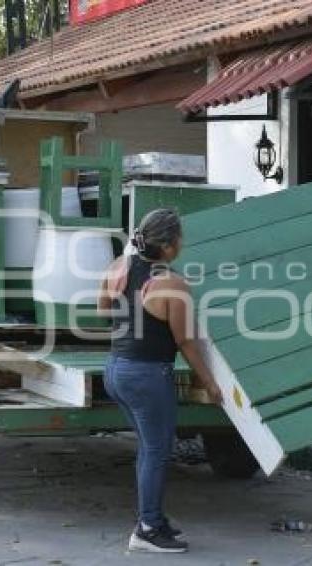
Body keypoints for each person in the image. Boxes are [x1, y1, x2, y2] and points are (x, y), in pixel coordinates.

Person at [98, 208, 223, 553]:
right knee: (157, 450)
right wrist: (210, 383)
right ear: (168, 246)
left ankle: (153, 517)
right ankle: (148, 529)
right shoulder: (172, 285)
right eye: (180, 237)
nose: (183, 242)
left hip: (116, 370)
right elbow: (185, 341)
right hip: (148, 375)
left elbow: (102, 309)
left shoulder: (117, 269)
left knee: (149, 448)